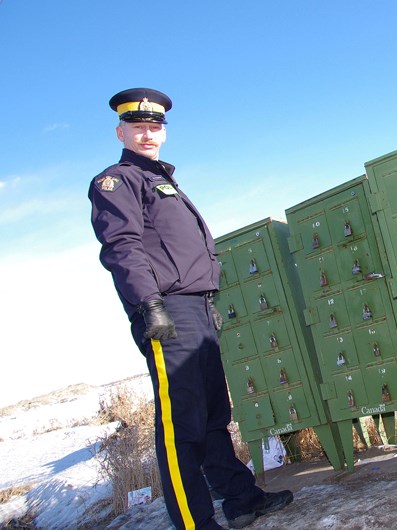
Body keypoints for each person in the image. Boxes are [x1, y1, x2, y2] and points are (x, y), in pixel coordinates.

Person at [88, 88, 293, 529]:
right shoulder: (117, 180)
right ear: (120, 130)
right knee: (181, 426)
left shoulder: (164, 182)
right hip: (164, 311)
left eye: (155, 126)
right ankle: (194, 522)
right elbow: (122, 247)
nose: (147, 133)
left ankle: (241, 499)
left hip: (194, 309)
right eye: (138, 127)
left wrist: (205, 301)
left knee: (214, 415)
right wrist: (150, 306)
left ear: (163, 132)